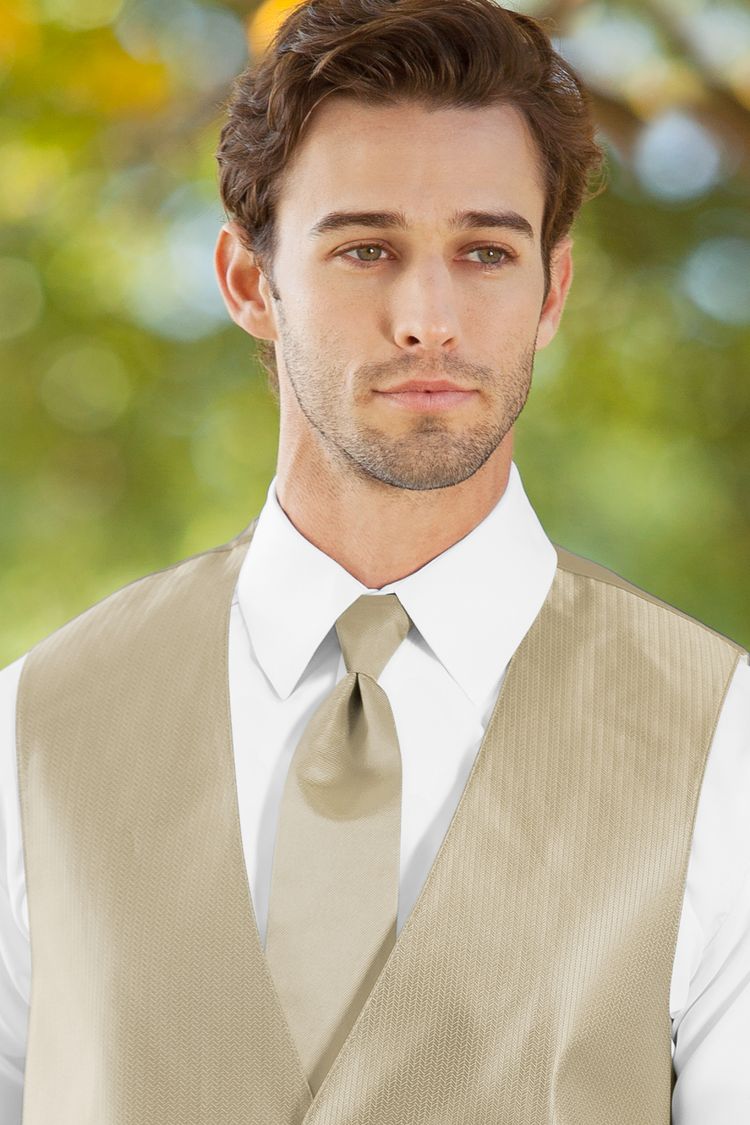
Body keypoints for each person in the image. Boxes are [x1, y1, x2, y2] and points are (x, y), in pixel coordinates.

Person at [0, 0, 748, 1121]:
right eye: (366, 247)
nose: (427, 316)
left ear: (551, 292)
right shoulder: (32, 732)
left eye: (486, 251)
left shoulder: (726, 748)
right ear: (251, 283)